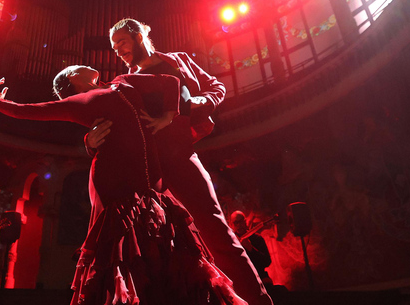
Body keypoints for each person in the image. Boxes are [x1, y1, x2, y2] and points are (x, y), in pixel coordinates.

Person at [0, 68, 246, 305]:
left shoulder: (123, 81)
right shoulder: (79, 102)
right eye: (74, 69)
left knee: (167, 254)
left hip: (152, 185)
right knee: (127, 253)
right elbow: (33, 110)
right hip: (114, 180)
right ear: (72, 82)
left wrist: (169, 114)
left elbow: (170, 82)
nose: (81, 65)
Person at [86, 18, 272, 305]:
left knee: (217, 233)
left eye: (121, 42)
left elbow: (216, 88)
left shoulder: (178, 61)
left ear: (137, 36)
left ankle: (258, 301)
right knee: (160, 249)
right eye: (113, 46)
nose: (117, 50)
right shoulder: (122, 83)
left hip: (181, 157)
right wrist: (89, 141)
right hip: (144, 172)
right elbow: (104, 119)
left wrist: (197, 103)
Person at [228, 211, 274, 286]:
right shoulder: (230, 241)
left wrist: (251, 249)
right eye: (236, 223)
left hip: (259, 277)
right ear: (231, 225)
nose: (239, 225)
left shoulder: (257, 238)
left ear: (245, 221)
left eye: (241, 221)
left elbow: (267, 261)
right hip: (241, 280)